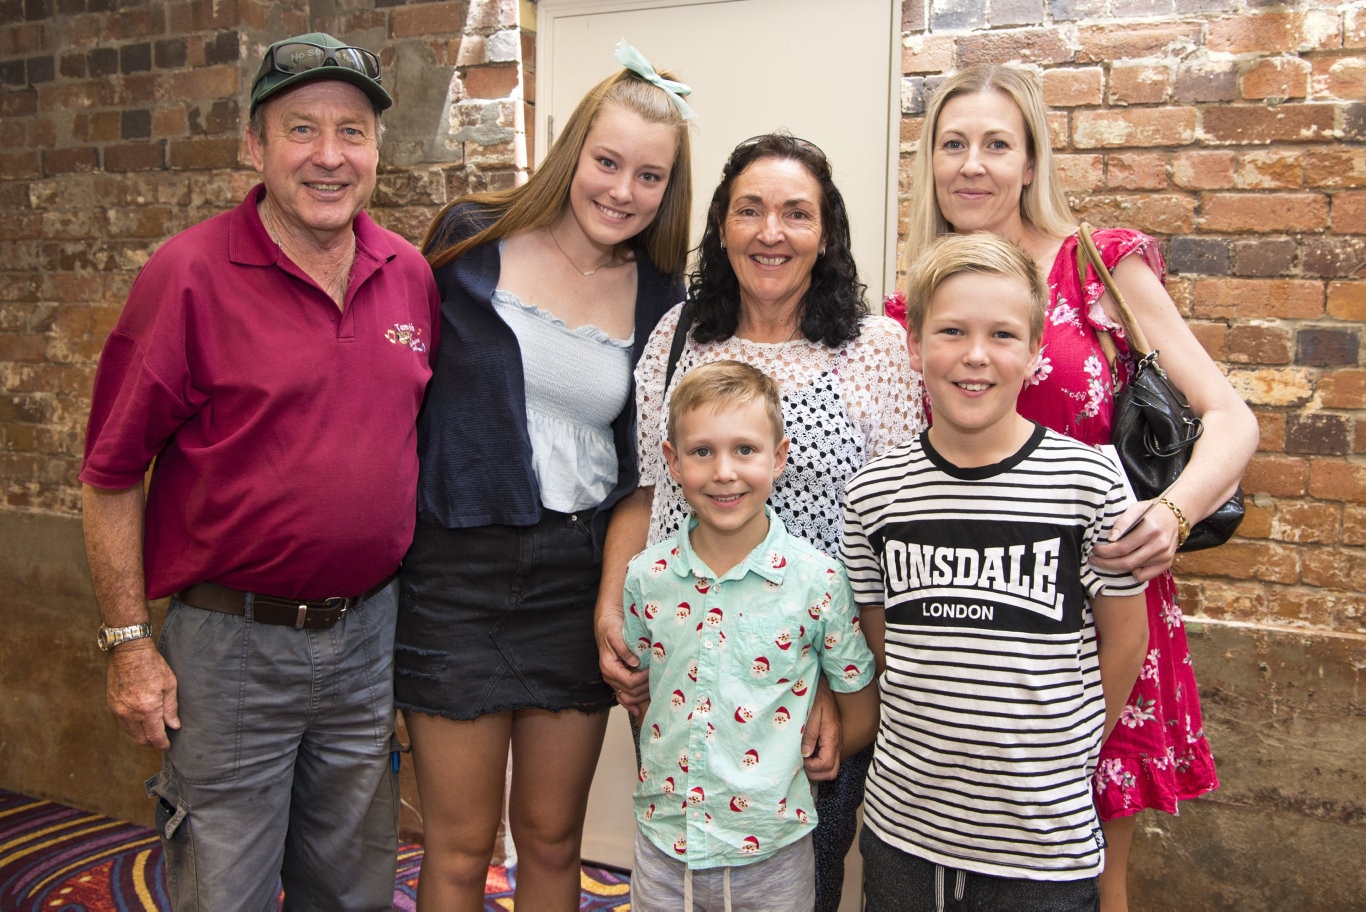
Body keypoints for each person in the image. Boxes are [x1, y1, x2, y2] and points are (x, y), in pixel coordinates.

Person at [79, 32, 438, 911]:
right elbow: (110, 473)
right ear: (255, 145)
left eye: (351, 131)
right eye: (301, 129)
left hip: (365, 641)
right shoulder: (189, 274)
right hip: (229, 648)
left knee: (352, 889)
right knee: (224, 888)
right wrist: (128, 646)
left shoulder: (410, 275)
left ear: (377, 150)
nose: (329, 156)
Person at [900, 64, 1259, 912]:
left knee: (1092, 873)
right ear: (931, 163)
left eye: (997, 144)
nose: (973, 165)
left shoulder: (1095, 265)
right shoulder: (913, 297)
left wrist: (1171, 513)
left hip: (1103, 611)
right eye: (954, 145)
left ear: (1031, 162)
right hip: (971, 622)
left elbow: (1232, 419)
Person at [394, 41, 694, 912]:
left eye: (648, 176)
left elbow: (643, 472)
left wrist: (613, 596)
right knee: (456, 848)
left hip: (573, 578)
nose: (621, 190)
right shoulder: (468, 238)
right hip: (453, 574)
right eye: (607, 161)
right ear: (573, 153)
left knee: (554, 842)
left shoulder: (662, 298)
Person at [596, 132, 925, 911]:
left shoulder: (873, 349)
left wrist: (825, 684)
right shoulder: (679, 338)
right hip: (693, 663)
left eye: (795, 213)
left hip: (813, 675)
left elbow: (897, 530)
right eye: (749, 210)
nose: (770, 232)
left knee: (792, 885)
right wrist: (612, 609)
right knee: (675, 868)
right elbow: (647, 492)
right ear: (721, 227)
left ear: (826, 232)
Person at [843, 231, 1150, 911]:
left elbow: (1126, 640)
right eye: (951, 331)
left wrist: (1065, 754)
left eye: (1003, 335)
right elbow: (882, 642)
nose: (976, 356)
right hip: (904, 835)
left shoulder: (1089, 481)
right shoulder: (874, 494)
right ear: (916, 345)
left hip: (1042, 847)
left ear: (1036, 352)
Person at [624, 360, 879, 912]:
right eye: (701, 451)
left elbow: (860, 703)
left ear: (779, 457)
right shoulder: (647, 576)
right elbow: (647, 691)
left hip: (773, 850)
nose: (724, 472)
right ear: (671, 461)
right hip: (664, 842)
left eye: (745, 449)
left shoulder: (818, 582)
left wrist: (808, 755)